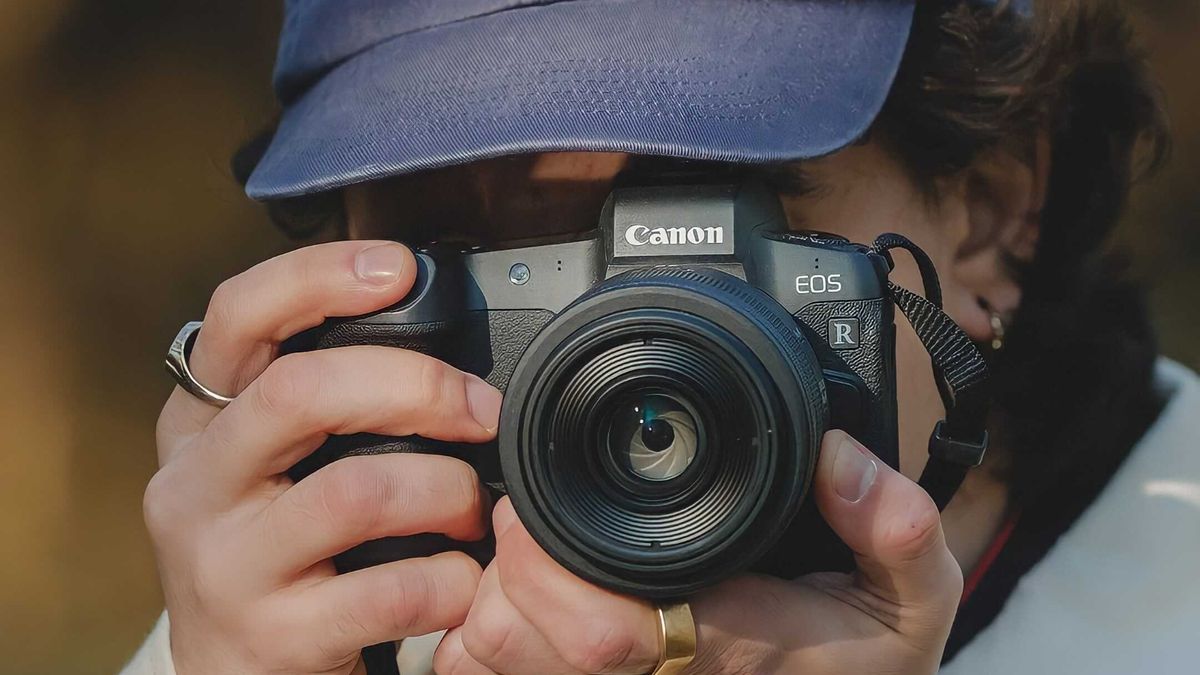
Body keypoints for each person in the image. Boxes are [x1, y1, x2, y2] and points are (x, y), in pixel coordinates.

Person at [124, 1, 1200, 674]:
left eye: (682, 229)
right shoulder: (326, 617)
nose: (599, 349)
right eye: (460, 245)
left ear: (988, 214)